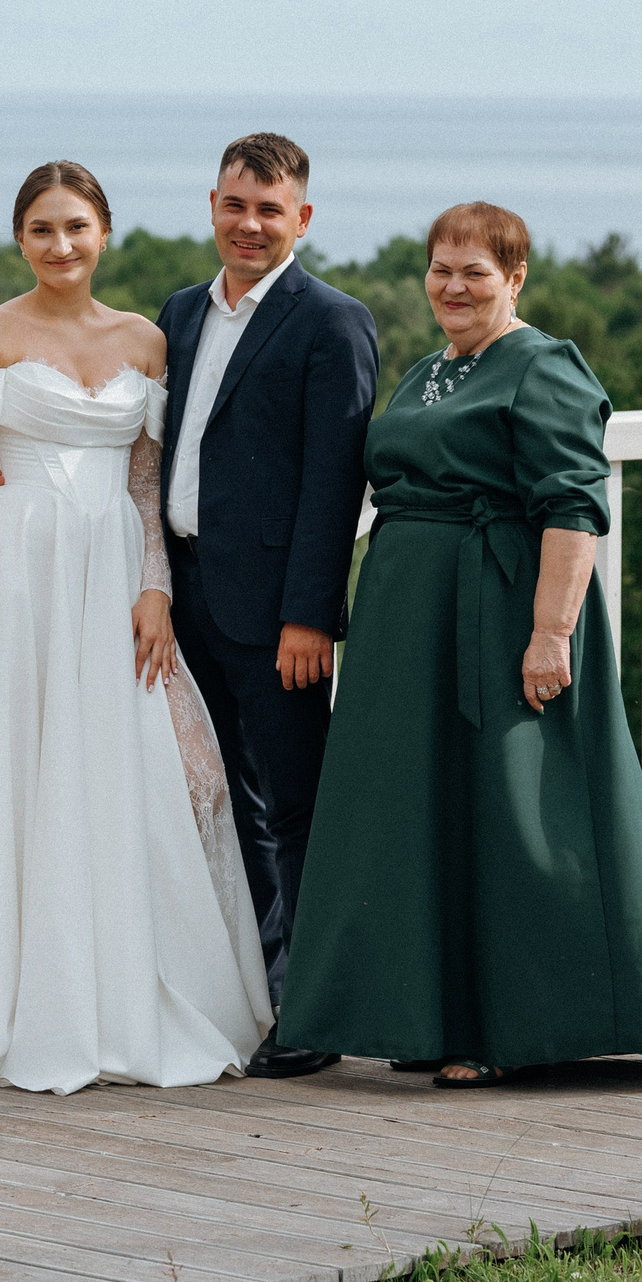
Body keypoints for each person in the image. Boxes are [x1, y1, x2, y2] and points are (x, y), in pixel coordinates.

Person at [275, 201, 642, 1087]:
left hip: (500, 614)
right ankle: (425, 1016)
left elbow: (572, 507)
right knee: (417, 816)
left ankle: (504, 1030)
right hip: (408, 630)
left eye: (477, 271)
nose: (454, 286)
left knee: (508, 813)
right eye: (441, 268)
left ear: (515, 277)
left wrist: (552, 631)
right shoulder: (427, 370)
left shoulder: (543, 365)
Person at [0, 160, 272, 1093]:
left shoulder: (146, 340)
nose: (61, 246)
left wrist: (155, 590)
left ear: (105, 233)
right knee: (13, 765)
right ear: (19, 239)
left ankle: (125, 990)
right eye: (42, 229)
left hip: (112, 582)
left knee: (123, 765)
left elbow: (146, 485)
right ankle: (1, 994)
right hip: (15, 574)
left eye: (76, 227)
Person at [155, 133, 379, 1080]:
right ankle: (244, 986)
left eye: (270, 210)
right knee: (214, 800)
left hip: (277, 614)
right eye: (236, 206)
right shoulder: (177, 313)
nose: (250, 225)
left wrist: (310, 616)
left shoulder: (332, 322)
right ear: (212, 205)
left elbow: (336, 484)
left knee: (294, 809)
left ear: (302, 218)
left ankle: (312, 1005)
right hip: (184, 593)